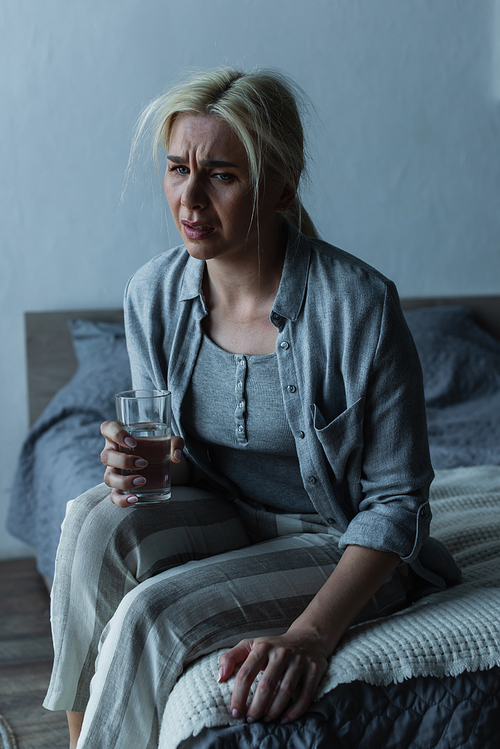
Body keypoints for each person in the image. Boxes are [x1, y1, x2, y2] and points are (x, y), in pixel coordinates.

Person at [43, 67, 460, 749]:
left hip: (339, 538)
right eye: (178, 168)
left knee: (153, 614)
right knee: (88, 520)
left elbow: (399, 504)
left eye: (223, 176)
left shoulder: (359, 308)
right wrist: (145, 468)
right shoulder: (152, 294)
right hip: (223, 510)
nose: (190, 197)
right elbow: (181, 457)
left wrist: (310, 634)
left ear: (283, 185)